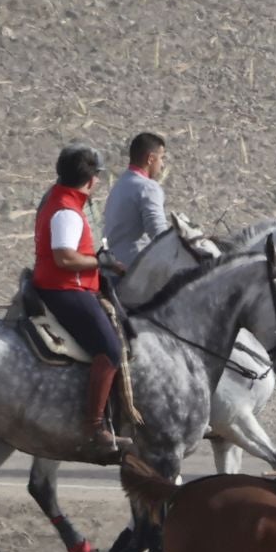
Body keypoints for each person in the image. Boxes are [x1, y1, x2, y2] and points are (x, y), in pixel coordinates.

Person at [33, 143, 130, 464]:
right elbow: (64, 257)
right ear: (90, 180)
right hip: (65, 289)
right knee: (112, 350)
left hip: (69, 286)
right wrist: (99, 262)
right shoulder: (66, 210)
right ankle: (94, 427)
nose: (99, 182)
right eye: (98, 177)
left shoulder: (63, 201)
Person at [102, 132, 168, 260]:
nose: (163, 165)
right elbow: (158, 232)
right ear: (151, 159)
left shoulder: (121, 183)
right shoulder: (148, 188)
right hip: (135, 269)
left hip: (111, 263)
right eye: (162, 158)